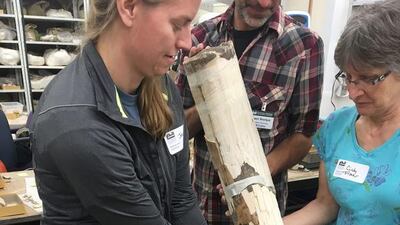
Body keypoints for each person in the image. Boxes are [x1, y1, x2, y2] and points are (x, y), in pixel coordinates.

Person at [29, 0, 207, 225]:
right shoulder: (77, 123)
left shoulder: (162, 88)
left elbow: (181, 199)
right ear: (129, 7)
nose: (186, 41)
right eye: (177, 24)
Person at [176, 0, 324, 224]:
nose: (264, 3)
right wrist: (209, 89)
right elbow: (176, 131)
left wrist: (251, 181)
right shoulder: (199, 37)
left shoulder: (303, 45)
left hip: (260, 212)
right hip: (202, 209)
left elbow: (303, 135)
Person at [283, 0, 400, 224]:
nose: (353, 92)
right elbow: (325, 205)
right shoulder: (337, 127)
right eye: (347, 77)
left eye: (368, 79)